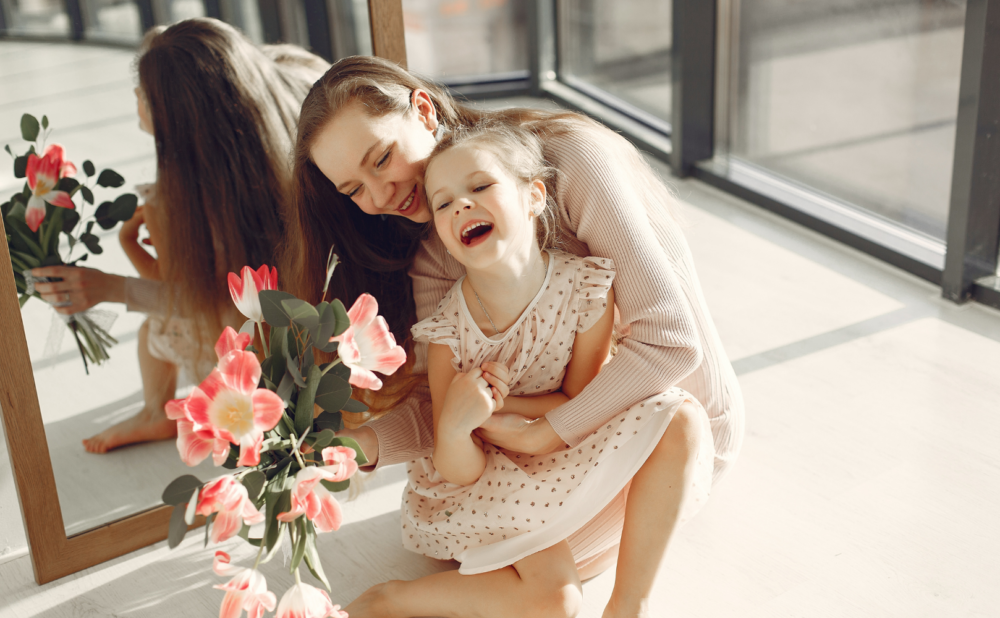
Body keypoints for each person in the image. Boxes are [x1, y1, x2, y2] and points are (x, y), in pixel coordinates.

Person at [286, 56, 745, 617]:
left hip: (666, 433)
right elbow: (443, 406)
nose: (380, 196)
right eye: (354, 189)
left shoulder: (568, 162)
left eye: (382, 158)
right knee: (529, 578)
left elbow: (669, 340)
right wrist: (362, 444)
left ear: (423, 110)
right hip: (528, 452)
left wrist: (546, 433)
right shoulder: (436, 252)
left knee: (540, 580)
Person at [29, 18, 329, 454]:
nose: (136, 98)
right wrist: (133, 248)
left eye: (144, 93)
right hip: (314, 317)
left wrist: (114, 288)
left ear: (178, 118)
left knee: (159, 328)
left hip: (293, 340)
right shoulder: (277, 106)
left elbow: (212, 304)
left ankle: (160, 411)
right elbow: (190, 285)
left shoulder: (196, 200)